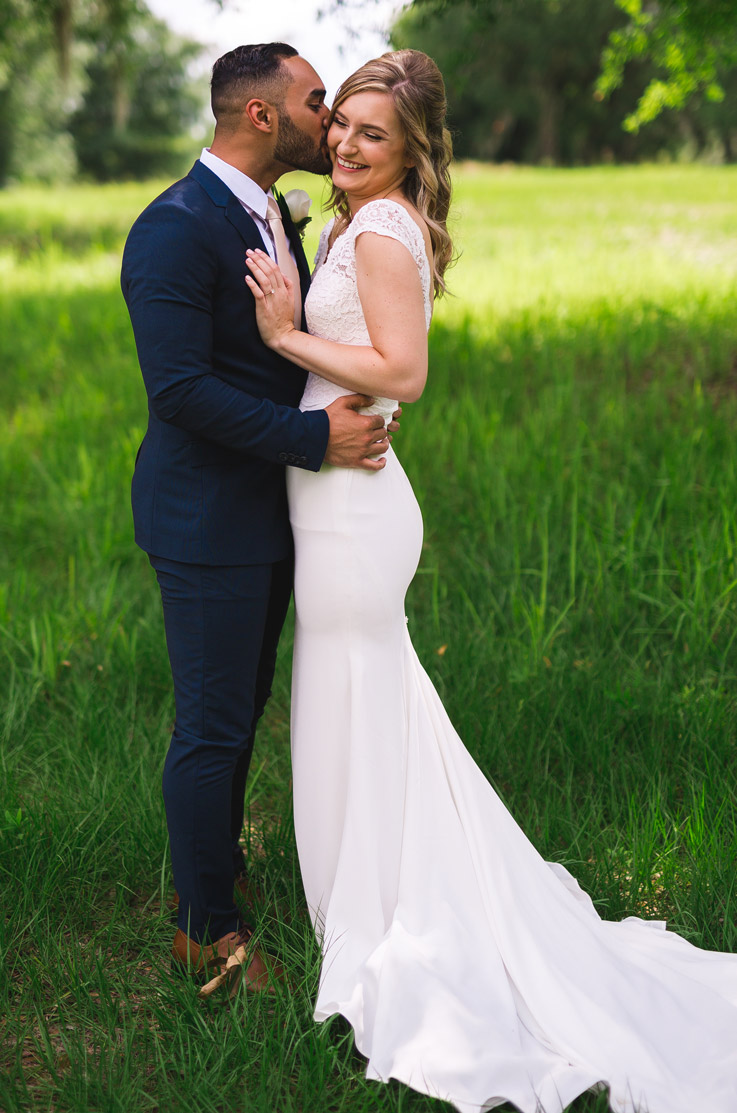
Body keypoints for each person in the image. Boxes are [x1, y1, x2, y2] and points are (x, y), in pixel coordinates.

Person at [244, 48, 737, 1113]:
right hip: (332, 497)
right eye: (342, 126)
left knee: (354, 702)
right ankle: (366, 903)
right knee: (358, 707)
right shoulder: (347, 219)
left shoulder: (379, 228)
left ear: (410, 151)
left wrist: (283, 331)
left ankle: (378, 921)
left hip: (355, 510)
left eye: (372, 135)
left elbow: (403, 371)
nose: (344, 142)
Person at [120, 43, 400, 995]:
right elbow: (182, 391)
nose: (332, 120)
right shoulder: (172, 227)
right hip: (205, 520)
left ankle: (216, 876)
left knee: (238, 716)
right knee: (210, 724)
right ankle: (208, 938)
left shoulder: (274, 213)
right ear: (263, 118)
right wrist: (310, 438)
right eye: (318, 101)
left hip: (270, 514)